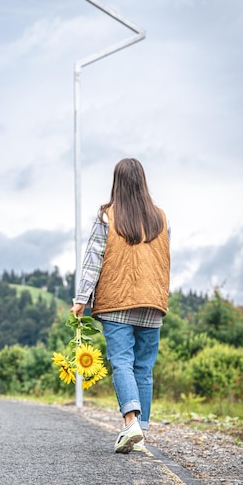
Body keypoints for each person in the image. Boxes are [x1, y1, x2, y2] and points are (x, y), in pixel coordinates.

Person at [70, 158, 170, 454]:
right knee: (144, 368)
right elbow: (164, 262)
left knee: (123, 362)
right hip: (152, 303)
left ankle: (131, 423)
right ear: (143, 181)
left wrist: (81, 299)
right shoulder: (161, 218)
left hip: (117, 302)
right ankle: (142, 431)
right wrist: (160, 297)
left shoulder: (107, 216)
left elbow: (93, 260)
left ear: (116, 182)